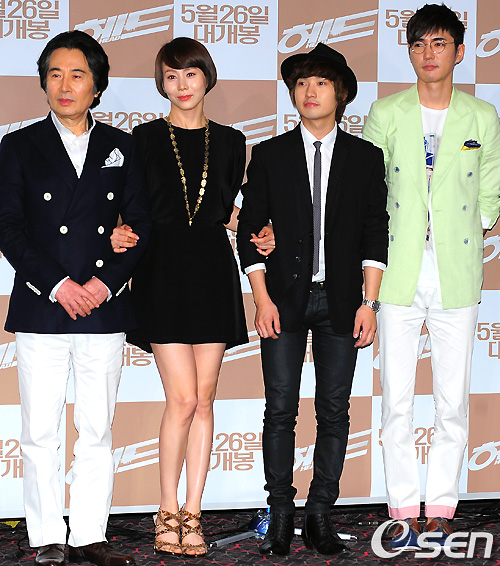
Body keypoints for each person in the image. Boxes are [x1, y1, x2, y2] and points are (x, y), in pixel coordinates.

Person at [109, 37, 273, 557]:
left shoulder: (231, 141)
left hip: (211, 271)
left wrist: (259, 234)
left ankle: (193, 512)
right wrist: (116, 232)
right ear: (162, 84)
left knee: (204, 399)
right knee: (181, 399)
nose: (181, 85)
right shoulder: (142, 138)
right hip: (160, 271)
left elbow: (227, 211)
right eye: (171, 76)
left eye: (190, 74)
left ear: (207, 77)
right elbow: (127, 206)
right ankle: (166, 509)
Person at [0, 31, 151, 566]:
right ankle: (46, 535)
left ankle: (89, 534)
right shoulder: (18, 146)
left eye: (78, 74)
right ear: (44, 82)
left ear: (97, 85)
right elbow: (9, 228)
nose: (65, 85)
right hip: (43, 306)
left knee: (96, 429)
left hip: (102, 307)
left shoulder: (121, 145)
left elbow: (141, 224)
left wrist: (102, 284)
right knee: (40, 431)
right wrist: (61, 286)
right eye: (55, 74)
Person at [237, 43, 388, 556]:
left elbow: (375, 231)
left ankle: (321, 512)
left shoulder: (365, 157)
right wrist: (261, 299)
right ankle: (280, 512)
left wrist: (369, 303)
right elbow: (250, 229)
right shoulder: (271, 154)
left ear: (340, 93)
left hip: (343, 303)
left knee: (334, 411)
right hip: (282, 300)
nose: (309, 91)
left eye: (321, 82)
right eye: (301, 83)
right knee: (279, 409)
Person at [363, 3, 500, 550]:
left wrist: (479, 223)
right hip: (397, 271)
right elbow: (370, 188)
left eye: (439, 43)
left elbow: (491, 185)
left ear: (459, 52)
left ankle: (441, 507)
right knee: (395, 400)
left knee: (451, 402)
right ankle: (402, 508)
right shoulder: (386, 112)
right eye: (419, 43)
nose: (428, 53)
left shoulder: (481, 115)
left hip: (456, 273)